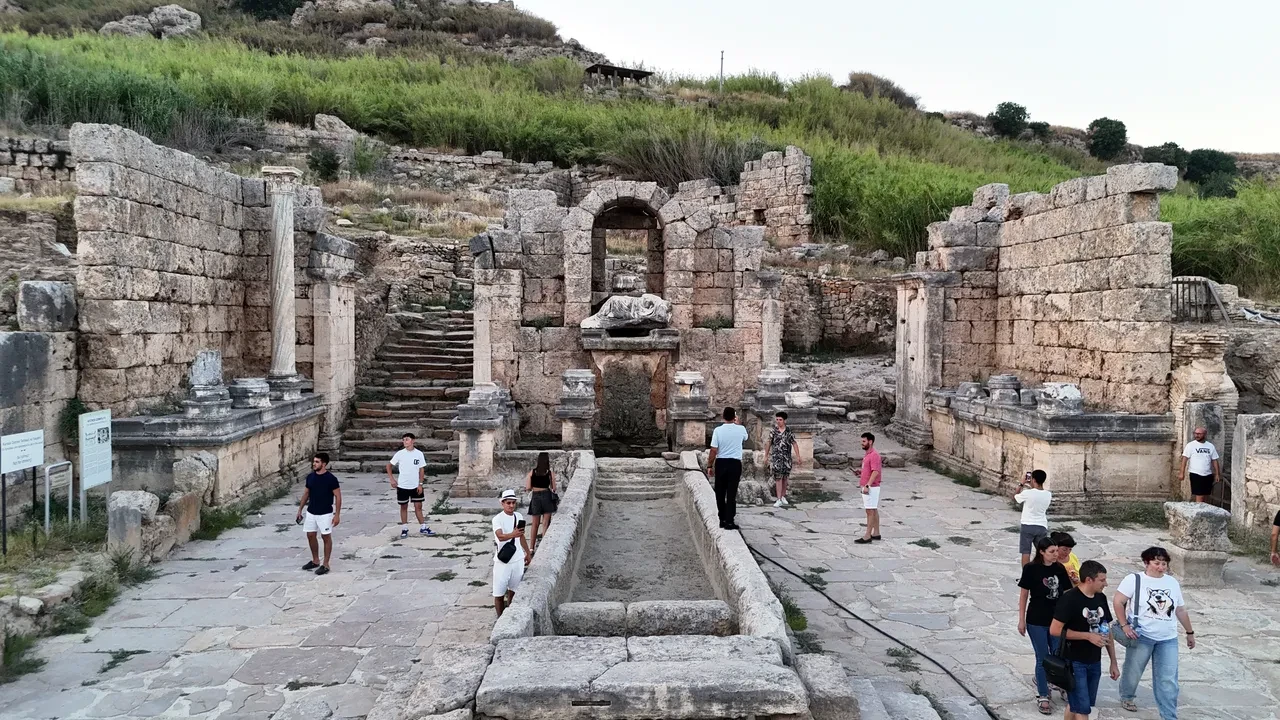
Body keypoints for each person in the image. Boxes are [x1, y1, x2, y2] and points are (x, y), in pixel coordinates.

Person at [1114, 546, 1196, 719]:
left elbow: (1180, 610)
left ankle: (1169, 715)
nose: (1161, 567)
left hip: (1168, 638)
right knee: (1134, 670)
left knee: (1168, 679)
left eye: (1164, 563)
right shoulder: (1134, 580)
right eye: (1156, 563)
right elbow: (1118, 602)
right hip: (1142, 635)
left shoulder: (1172, 583)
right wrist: (1124, 625)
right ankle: (1127, 695)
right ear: (1146, 563)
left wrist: (1190, 632)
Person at [1050, 560, 1120, 720]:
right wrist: (1087, 636)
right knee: (1083, 710)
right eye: (1102, 580)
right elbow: (1055, 630)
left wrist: (1113, 662)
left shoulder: (1100, 598)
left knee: (1076, 704)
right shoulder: (1069, 599)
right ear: (1089, 579)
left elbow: (1106, 629)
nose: (1106, 584)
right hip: (1074, 662)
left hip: (1094, 661)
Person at [1019, 535, 1074, 714]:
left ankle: (1061, 686)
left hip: (1056, 620)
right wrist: (1021, 619)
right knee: (1042, 657)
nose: (1056, 554)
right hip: (1036, 619)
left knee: (1059, 655)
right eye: (1051, 552)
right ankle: (1043, 694)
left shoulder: (1059, 569)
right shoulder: (1031, 569)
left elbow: (1066, 594)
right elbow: (1024, 595)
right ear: (1041, 552)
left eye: (1057, 551)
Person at [296, 453, 341, 576]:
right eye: (314, 461)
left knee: (326, 537)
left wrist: (337, 515)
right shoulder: (310, 477)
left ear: (324, 464)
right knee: (310, 535)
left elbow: (338, 496)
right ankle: (315, 560)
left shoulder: (331, 479)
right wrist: (300, 510)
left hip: (325, 513)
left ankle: (325, 564)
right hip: (311, 512)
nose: (314, 464)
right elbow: (306, 493)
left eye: (317, 462)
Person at [707, 406, 749, 530]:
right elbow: (745, 438)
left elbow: (714, 450)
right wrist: (739, 423)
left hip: (721, 463)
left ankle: (722, 519)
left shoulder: (718, 431)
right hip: (735, 464)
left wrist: (709, 465)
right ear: (734, 417)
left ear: (723, 417)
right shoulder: (741, 429)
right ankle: (730, 521)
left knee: (720, 492)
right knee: (731, 494)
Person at [492, 488, 531, 617]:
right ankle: (499, 617)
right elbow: (500, 536)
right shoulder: (497, 519)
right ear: (502, 503)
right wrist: (512, 534)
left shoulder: (518, 516)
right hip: (503, 560)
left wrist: (527, 552)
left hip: (517, 559)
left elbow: (521, 536)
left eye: (513, 503)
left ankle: (509, 615)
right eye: (508, 503)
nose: (511, 505)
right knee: (499, 592)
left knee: (514, 590)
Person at [387, 433, 434, 538]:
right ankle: (404, 528)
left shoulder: (419, 454)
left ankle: (423, 526)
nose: (405, 442)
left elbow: (421, 469)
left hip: (415, 485)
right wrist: (392, 479)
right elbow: (389, 466)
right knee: (403, 506)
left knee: (418, 506)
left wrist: (420, 484)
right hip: (403, 485)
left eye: (407, 439)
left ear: (413, 441)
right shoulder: (400, 454)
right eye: (403, 440)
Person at [1016, 470, 1053, 566]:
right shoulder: (1048, 494)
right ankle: (1043, 573)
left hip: (1027, 525)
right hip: (1041, 526)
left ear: (1033, 480)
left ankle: (1026, 576)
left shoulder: (1028, 493)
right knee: (1042, 552)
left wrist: (1021, 483)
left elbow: (1015, 497)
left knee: (1026, 552)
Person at [764, 411, 800, 508]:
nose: (778, 421)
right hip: (776, 458)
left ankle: (783, 496)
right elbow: (768, 443)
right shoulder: (773, 431)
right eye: (777, 420)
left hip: (787, 458)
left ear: (784, 421)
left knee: (785, 478)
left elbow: (794, 443)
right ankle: (778, 498)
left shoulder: (789, 431)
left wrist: (798, 456)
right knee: (778, 478)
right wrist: (766, 455)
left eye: (780, 420)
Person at [525, 451, 557, 554]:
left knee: (535, 524)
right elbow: (553, 488)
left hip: (536, 497)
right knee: (545, 523)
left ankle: (531, 548)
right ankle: (544, 547)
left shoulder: (532, 472)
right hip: (547, 496)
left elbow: (528, 488)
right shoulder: (550, 473)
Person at [1179, 427, 1222, 503]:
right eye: (1195, 433)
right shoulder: (1190, 445)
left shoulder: (1210, 446)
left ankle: (1203, 511)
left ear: (1205, 434)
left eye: (1199, 434)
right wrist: (1181, 473)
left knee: (1206, 494)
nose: (1196, 435)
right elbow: (1184, 459)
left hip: (1208, 474)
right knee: (1200, 495)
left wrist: (1217, 474)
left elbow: (1214, 460)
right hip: (1196, 473)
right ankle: (1199, 511)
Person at [854, 432, 882, 544]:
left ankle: (867, 535)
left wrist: (867, 485)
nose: (862, 444)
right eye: (861, 441)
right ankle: (876, 533)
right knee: (873, 509)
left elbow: (875, 471)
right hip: (870, 485)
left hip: (871, 486)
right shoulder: (868, 455)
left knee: (869, 510)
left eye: (864, 441)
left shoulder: (874, 455)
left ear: (870, 442)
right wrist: (860, 473)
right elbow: (869, 470)